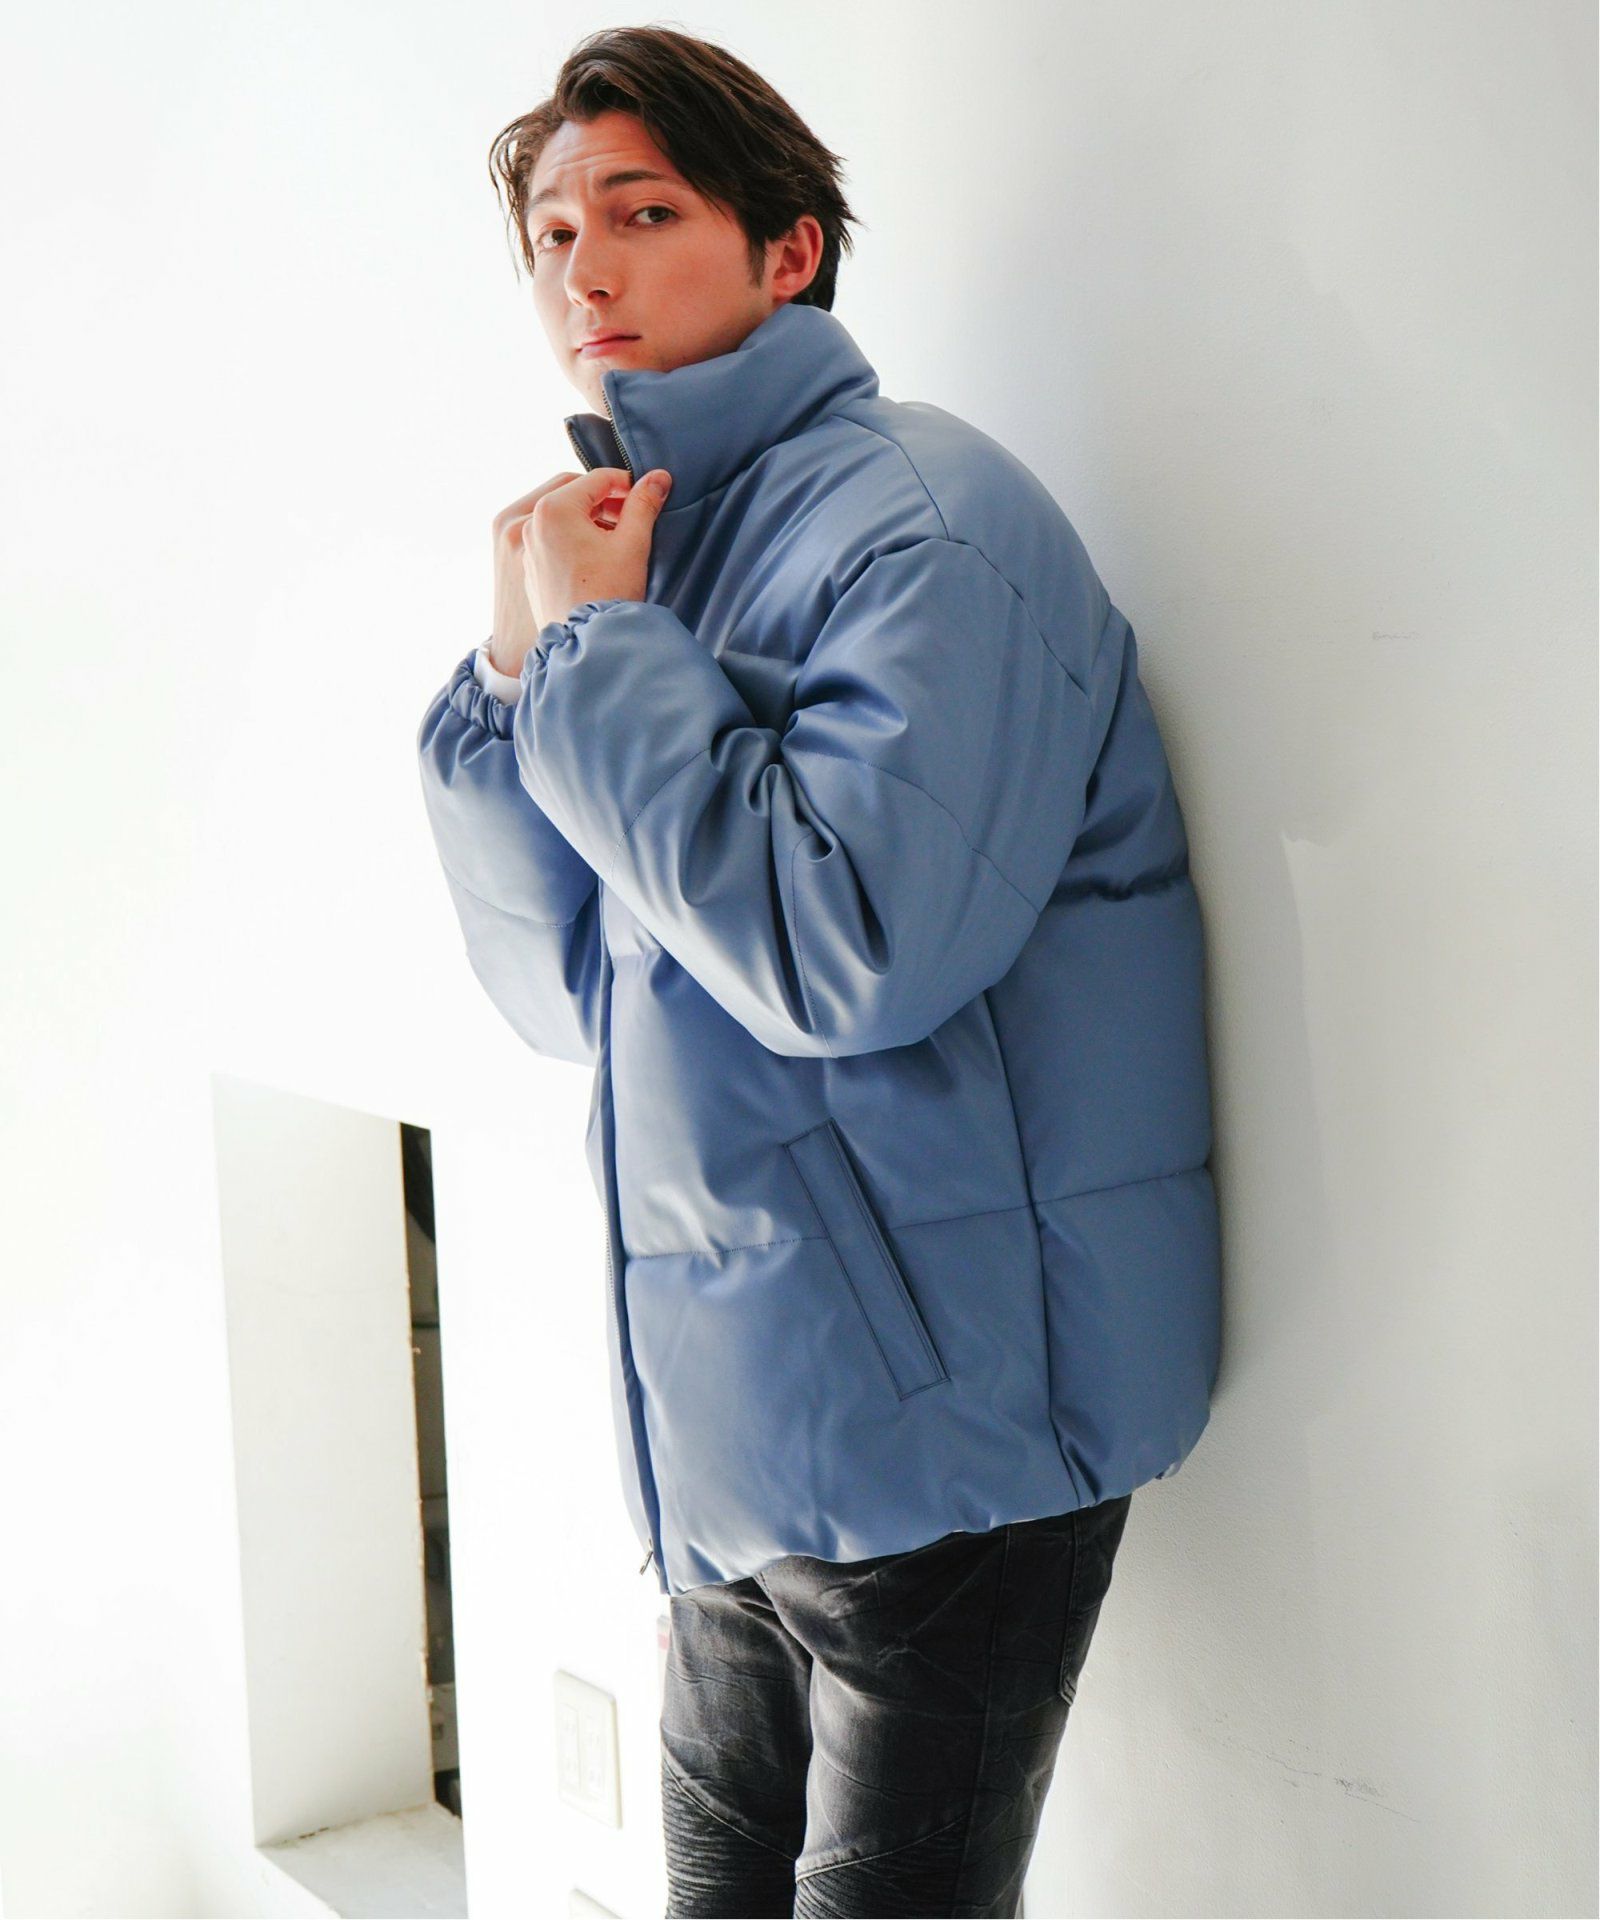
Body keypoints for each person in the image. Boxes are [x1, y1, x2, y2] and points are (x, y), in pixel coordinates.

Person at [416, 25, 1221, 1917]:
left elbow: (847, 955)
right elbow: (564, 990)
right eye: (551, 235)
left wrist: (600, 665)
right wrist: (522, 679)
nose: (584, 272)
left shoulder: (929, 527)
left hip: (947, 1429)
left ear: (789, 250)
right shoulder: (645, 557)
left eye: (642, 213)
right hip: (732, 1414)